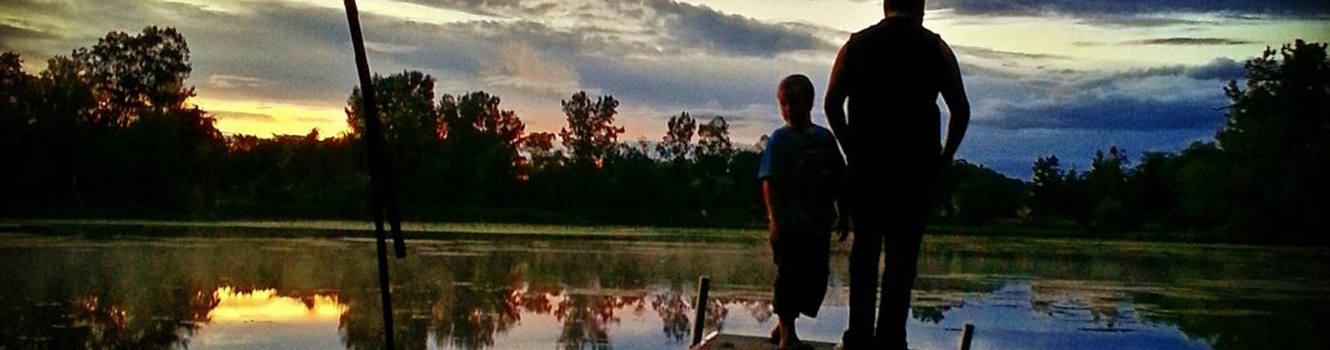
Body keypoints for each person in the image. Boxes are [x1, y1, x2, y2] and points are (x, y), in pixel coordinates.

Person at [822, 0, 971, 349]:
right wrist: (945, 158)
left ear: (885, 6)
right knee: (902, 260)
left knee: (865, 255)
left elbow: (831, 102)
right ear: (920, 9)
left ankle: (858, 338)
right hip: (915, 172)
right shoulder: (935, 47)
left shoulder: (855, 44)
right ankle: (891, 340)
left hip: (867, 167)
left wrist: (850, 146)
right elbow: (960, 110)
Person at [760, 74, 850, 350]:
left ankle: (782, 328)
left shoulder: (824, 139)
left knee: (814, 282)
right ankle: (788, 337)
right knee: (787, 278)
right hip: (790, 227)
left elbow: (839, 180)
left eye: (794, 103)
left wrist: (843, 214)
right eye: (783, 104)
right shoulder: (779, 141)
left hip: (818, 226)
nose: (788, 110)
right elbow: (770, 183)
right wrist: (776, 221)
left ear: (809, 104)